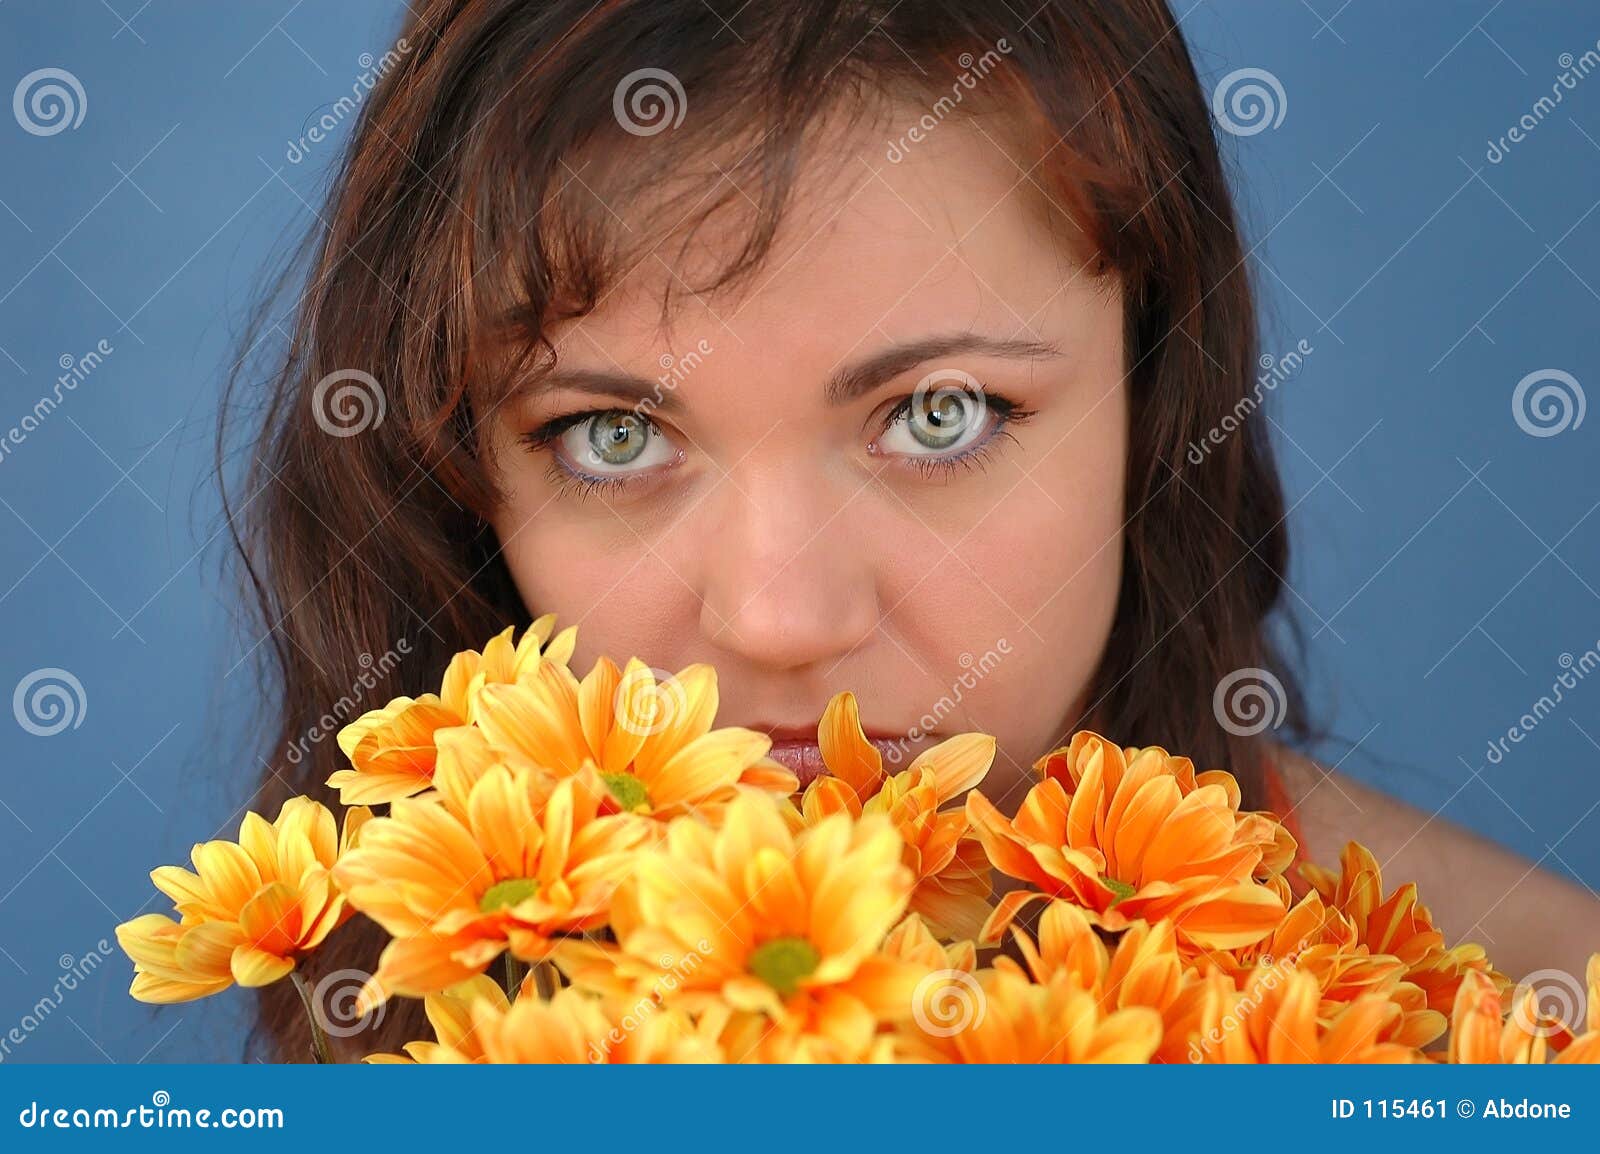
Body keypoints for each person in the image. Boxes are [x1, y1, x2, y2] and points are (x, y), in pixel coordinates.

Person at [222, 0, 1599, 1058]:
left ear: (1154, 399)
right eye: (614, 436)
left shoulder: (1529, 1029)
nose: (776, 617)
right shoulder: (390, 972)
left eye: (940, 413)